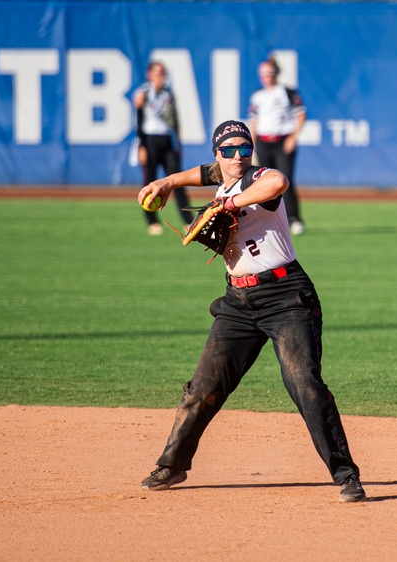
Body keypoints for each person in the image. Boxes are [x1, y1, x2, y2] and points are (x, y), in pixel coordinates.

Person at [136, 120, 365, 502]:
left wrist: (227, 203)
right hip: (237, 303)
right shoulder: (222, 176)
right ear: (217, 155)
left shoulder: (258, 178)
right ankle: (173, 465)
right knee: (203, 387)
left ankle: (346, 475)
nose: (238, 156)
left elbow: (277, 184)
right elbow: (204, 174)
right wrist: (169, 182)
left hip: (287, 297)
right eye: (229, 151)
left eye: (245, 149)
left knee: (304, 385)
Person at [133, 61, 193, 235]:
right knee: (149, 181)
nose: (161, 76)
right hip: (150, 140)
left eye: (163, 73)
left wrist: (178, 143)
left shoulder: (168, 93)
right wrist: (141, 146)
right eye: (158, 73)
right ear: (149, 75)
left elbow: (175, 119)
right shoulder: (143, 93)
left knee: (178, 180)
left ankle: (188, 221)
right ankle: (152, 221)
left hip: (167, 140)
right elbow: (138, 122)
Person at [248, 57, 307, 235]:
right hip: (264, 142)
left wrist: (293, 137)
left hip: (282, 141)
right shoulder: (257, 96)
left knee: (285, 180)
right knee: (263, 182)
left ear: (276, 73)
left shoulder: (287, 92)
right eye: (262, 74)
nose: (266, 77)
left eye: (269, 73)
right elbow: (254, 122)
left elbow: (301, 114)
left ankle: (294, 219)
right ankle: (266, 220)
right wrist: (251, 146)